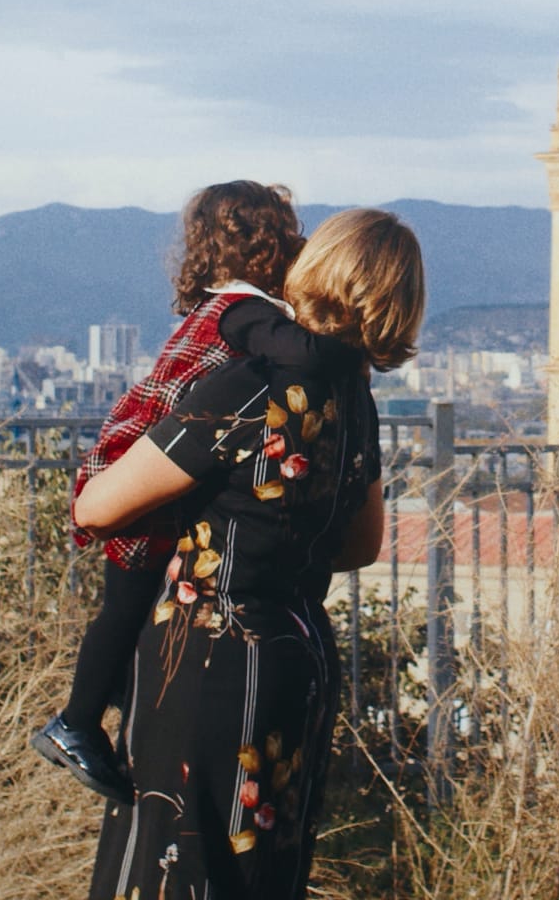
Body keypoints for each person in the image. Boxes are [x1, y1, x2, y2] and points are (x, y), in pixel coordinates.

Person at [75, 207, 422, 900]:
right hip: (298, 662)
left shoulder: (250, 386)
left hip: (207, 658)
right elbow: (362, 543)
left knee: (176, 862)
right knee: (260, 872)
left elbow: (98, 507)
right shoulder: (358, 399)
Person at [32, 181, 355, 803]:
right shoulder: (245, 312)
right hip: (140, 478)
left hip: (142, 468)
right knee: (124, 609)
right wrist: (353, 345)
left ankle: (115, 722)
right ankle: (75, 723)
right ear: (270, 245)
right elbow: (301, 355)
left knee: (134, 606)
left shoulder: (217, 306)